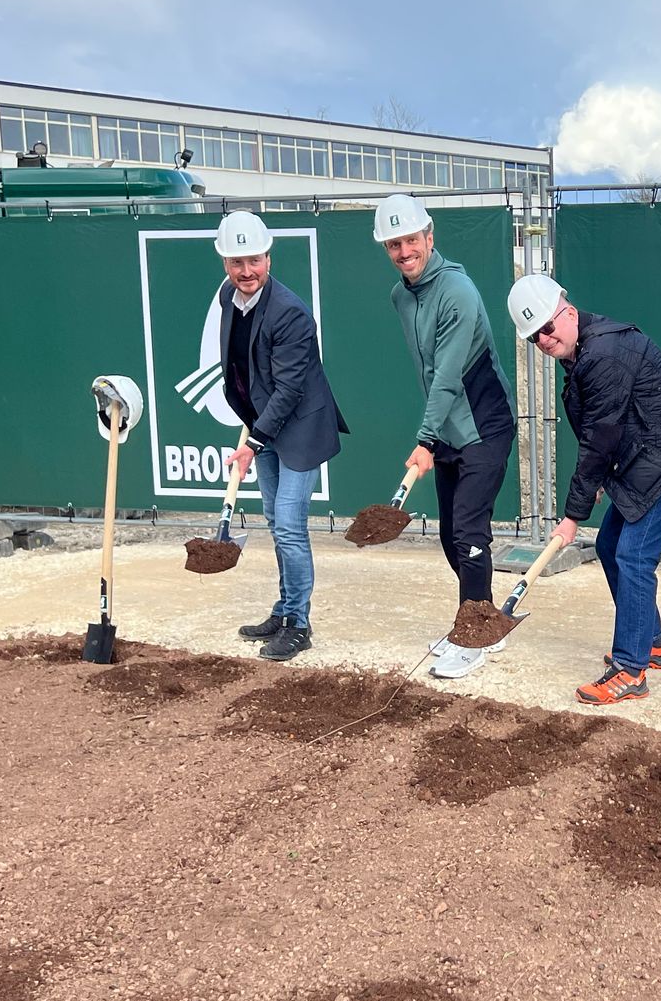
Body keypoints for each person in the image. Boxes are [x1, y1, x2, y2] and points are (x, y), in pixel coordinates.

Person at [508, 274, 661, 705]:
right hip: (649, 451)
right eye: (534, 337)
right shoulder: (584, 347)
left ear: (566, 310)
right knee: (610, 545)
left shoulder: (603, 351)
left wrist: (571, 517)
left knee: (634, 554)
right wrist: (603, 478)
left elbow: (600, 435)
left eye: (547, 327)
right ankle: (653, 642)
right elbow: (605, 426)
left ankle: (629, 669)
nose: (544, 341)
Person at [374, 192, 517, 680]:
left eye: (410, 239)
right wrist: (436, 437)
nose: (403, 251)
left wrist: (426, 437)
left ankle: (473, 636)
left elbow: (449, 374)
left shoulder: (457, 291)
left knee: (469, 531)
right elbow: (428, 370)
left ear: (429, 237)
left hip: (485, 426)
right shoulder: (400, 296)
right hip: (448, 431)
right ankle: (482, 617)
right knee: (449, 538)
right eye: (393, 244)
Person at [213, 210, 346, 661]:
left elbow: (290, 388)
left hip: (300, 426)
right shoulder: (227, 297)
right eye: (237, 262)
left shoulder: (290, 313)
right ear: (225, 264)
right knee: (274, 519)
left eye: (254, 260)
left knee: (289, 525)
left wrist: (253, 442)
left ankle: (299, 625)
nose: (246, 271)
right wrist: (249, 421)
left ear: (268, 257)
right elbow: (241, 367)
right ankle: (285, 608)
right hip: (263, 421)